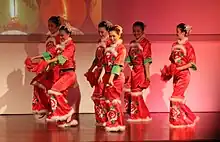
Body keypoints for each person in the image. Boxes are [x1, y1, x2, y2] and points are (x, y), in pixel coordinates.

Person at [160, 23, 199, 128]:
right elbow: (173, 61)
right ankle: (190, 117)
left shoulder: (188, 46)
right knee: (177, 98)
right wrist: (169, 71)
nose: (176, 33)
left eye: (178, 31)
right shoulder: (174, 45)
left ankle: (178, 121)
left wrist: (179, 68)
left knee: (175, 97)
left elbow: (192, 63)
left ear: (183, 32)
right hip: (176, 75)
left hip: (184, 75)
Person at [24, 16, 61, 120]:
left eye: (52, 25)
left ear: (57, 26)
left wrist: (48, 62)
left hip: (55, 66)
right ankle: (46, 108)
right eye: (48, 25)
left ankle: (55, 111)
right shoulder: (49, 37)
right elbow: (47, 53)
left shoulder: (59, 38)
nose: (49, 27)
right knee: (40, 85)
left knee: (52, 89)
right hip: (48, 65)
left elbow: (55, 54)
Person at [43, 24, 78, 128]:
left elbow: (62, 58)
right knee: (60, 96)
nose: (61, 37)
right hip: (62, 74)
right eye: (60, 35)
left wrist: (50, 61)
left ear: (68, 34)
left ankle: (68, 111)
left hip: (69, 74)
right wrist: (37, 58)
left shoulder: (71, 46)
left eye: (63, 35)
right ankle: (65, 120)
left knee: (54, 91)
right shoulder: (60, 46)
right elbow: (49, 53)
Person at [84, 20, 112, 126]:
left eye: (102, 32)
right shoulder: (99, 42)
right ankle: (100, 119)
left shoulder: (109, 43)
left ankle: (106, 119)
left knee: (102, 95)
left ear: (108, 31)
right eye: (99, 32)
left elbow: (107, 61)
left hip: (105, 72)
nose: (100, 34)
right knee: (97, 95)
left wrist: (102, 74)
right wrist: (91, 69)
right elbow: (97, 59)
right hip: (99, 70)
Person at [98, 25, 126, 132]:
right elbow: (105, 64)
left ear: (119, 35)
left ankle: (116, 123)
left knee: (114, 99)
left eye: (114, 36)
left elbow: (118, 64)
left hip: (116, 77)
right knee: (108, 100)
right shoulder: (108, 47)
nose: (112, 38)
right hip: (108, 75)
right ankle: (113, 121)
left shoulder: (121, 48)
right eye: (110, 36)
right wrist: (102, 75)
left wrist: (111, 77)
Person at [124, 21, 152, 121]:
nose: (136, 33)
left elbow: (147, 60)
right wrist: (126, 69)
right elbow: (128, 58)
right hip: (133, 71)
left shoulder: (146, 43)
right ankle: (138, 114)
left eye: (138, 31)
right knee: (131, 93)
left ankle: (139, 115)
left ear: (143, 31)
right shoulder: (132, 43)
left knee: (137, 93)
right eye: (134, 31)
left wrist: (148, 76)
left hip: (140, 71)